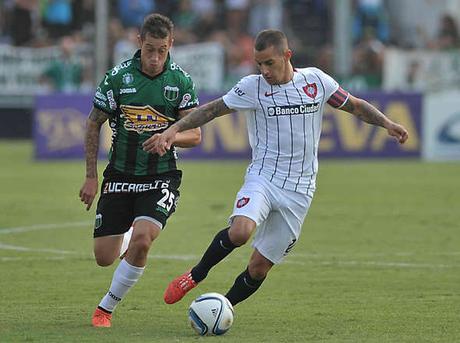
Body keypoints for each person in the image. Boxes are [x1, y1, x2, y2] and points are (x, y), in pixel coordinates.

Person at [142, 29, 409, 307]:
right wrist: (173, 130)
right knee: (241, 231)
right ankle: (195, 276)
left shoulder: (316, 81)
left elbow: (355, 106)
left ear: (287, 55)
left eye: (269, 63)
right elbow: (211, 110)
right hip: (264, 178)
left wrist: (387, 123)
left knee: (259, 268)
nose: (264, 70)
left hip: (300, 190)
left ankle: (221, 307)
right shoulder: (252, 87)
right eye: (259, 64)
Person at [78, 13, 201, 327]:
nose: (155, 57)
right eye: (150, 49)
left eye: (162, 50)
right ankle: (129, 233)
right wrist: (91, 176)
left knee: (144, 240)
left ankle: (104, 309)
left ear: (171, 44)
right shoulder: (118, 78)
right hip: (119, 175)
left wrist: (170, 136)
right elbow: (94, 123)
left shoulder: (180, 81)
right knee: (104, 257)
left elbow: (196, 136)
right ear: (139, 43)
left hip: (161, 176)